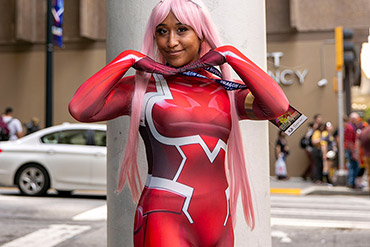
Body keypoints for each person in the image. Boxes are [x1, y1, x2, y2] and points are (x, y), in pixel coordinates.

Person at [69, 0, 289, 246]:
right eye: (162, 31)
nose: (171, 42)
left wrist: (229, 54)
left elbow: (279, 107)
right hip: (165, 218)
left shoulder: (226, 92)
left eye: (182, 29)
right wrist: (127, 58)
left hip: (220, 220)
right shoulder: (143, 90)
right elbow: (80, 108)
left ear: (201, 33)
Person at [301, 114, 323, 181]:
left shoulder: (319, 130)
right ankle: (313, 177)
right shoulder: (311, 131)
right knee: (314, 163)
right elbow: (309, 140)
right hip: (310, 148)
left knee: (313, 163)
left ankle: (306, 175)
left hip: (314, 149)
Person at [345, 112, 360, 188]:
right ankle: (351, 182)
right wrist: (353, 153)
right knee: (354, 166)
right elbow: (350, 142)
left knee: (354, 166)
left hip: (351, 149)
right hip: (351, 150)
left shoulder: (352, 127)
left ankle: (352, 182)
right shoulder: (350, 128)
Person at [357, 118, 370, 193]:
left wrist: (358, 154)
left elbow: (358, 143)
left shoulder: (362, 132)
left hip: (365, 155)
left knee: (368, 172)